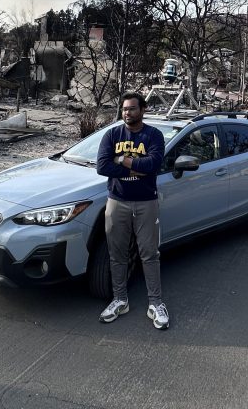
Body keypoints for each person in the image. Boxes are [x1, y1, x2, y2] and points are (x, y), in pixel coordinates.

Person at [95, 91, 169, 329]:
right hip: (117, 201)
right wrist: (132, 170)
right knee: (117, 254)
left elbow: (152, 165)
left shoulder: (153, 135)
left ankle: (155, 303)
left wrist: (123, 160)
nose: (127, 113)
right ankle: (120, 300)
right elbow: (102, 165)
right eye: (124, 109)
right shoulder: (112, 134)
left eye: (132, 109)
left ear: (143, 110)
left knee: (149, 254)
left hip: (146, 202)